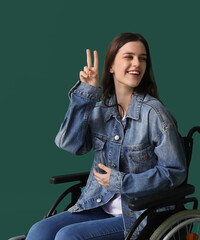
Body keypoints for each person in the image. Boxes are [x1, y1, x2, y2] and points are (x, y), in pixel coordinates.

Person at [26, 32, 186, 240]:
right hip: (97, 204)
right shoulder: (101, 110)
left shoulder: (154, 114)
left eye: (142, 58)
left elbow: (174, 172)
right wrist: (87, 93)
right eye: (129, 57)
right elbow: (69, 143)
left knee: (68, 236)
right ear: (111, 66)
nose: (136, 63)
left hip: (140, 214)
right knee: (39, 231)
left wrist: (122, 182)